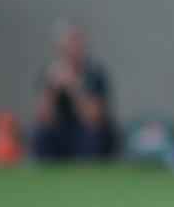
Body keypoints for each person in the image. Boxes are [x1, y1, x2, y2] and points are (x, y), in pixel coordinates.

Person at [32, 22, 115, 160]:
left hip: (84, 131)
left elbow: (93, 118)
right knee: (42, 133)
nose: (72, 49)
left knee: (93, 135)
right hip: (61, 131)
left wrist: (75, 87)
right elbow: (43, 118)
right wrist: (51, 90)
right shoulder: (50, 73)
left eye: (76, 43)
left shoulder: (95, 74)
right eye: (68, 44)